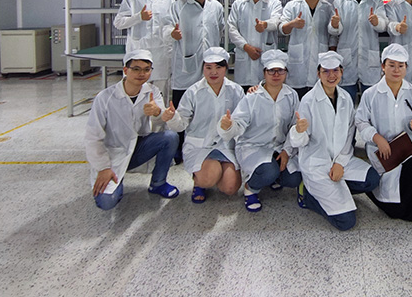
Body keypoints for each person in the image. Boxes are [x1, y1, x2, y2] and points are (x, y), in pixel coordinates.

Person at [354, 43, 412, 232]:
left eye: (401, 65)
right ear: (383, 66)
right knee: (392, 202)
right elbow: (361, 121)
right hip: (384, 153)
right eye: (391, 65)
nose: (396, 70)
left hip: (409, 150)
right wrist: (376, 137)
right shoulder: (371, 94)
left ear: (406, 67)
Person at [290, 52, 381, 231]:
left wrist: (340, 163)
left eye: (335, 71)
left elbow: (349, 136)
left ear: (341, 72)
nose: (331, 75)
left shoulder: (346, 98)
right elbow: (300, 142)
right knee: (346, 222)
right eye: (325, 71)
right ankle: (309, 197)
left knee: (372, 179)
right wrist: (299, 131)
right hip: (317, 163)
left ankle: (335, 190)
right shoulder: (308, 101)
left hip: (341, 159)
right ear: (318, 74)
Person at [84, 49, 179, 210]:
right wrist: (103, 168)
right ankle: (115, 182)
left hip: (138, 149)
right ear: (125, 70)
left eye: (146, 69)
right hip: (113, 155)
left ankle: (158, 183)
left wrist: (157, 112)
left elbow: (161, 122)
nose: (141, 74)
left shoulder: (152, 92)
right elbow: (93, 137)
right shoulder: (105, 98)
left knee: (170, 137)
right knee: (107, 202)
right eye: (136, 69)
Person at [218, 49, 302, 212]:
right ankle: (251, 188)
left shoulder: (291, 95)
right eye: (271, 70)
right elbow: (239, 123)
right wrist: (229, 125)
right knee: (268, 171)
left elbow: (294, 126)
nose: (276, 74)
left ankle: (273, 177)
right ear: (264, 72)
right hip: (253, 146)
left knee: (294, 178)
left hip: (279, 147)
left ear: (286, 72)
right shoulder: (252, 96)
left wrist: (286, 151)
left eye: (280, 70)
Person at [163, 47, 244, 203]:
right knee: (208, 178)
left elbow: (242, 122)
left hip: (225, 145)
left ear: (226, 68)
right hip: (200, 145)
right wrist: (172, 118)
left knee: (230, 188)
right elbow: (181, 124)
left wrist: (230, 125)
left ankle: (215, 171)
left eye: (218, 67)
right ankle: (200, 182)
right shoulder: (193, 92)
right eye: (208, 67)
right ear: (203, 68)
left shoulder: (236, 90)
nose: (213, 72)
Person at [114, 0, 175, 98]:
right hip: (138, 49)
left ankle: (160, 114)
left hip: (162, 51)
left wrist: (173, 34)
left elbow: (171, 21)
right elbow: (118, 22)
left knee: (161, 92)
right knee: (138, 90)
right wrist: (138, 17)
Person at [328, 0, 388, 100]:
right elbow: (334, 32)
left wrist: (377, 22)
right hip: (347, 59)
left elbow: (383, 25)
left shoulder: (376, 0)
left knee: (372, 101)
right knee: (345, 101)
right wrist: (335, 25)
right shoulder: (339, 2)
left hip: (369, 59)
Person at [166, 0, 225, 107]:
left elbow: (220, 29)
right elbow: (166, 27)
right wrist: (171, 33)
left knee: (208, 103)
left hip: (210, 62)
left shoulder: (216, 6)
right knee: (183, 105)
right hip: (186, 63)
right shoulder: (178, 6)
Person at [278, 0, 334, 98]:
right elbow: (282, 29)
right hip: (298, 65)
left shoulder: (327, 7)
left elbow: (332, 35)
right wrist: (292, 24)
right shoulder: (292, 6)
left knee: (319, 101)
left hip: (320, 60)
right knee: (297, 100)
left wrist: (331, 55)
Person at [227, 0, 283, 90]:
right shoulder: (238, 4)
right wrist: (246, 47)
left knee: (265, 92)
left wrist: (265, 25)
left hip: (265, 60)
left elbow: (276, 21)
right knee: (244, 94)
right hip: (244, 61)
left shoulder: (274, 4)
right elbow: (231, 28)